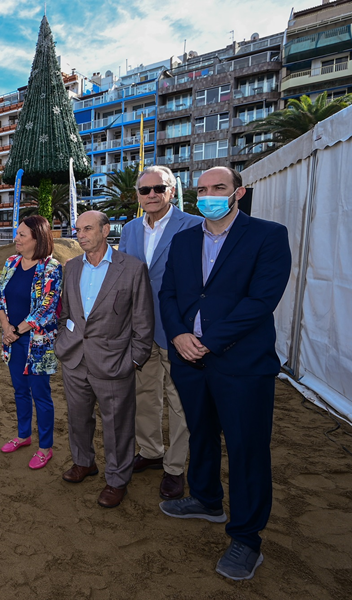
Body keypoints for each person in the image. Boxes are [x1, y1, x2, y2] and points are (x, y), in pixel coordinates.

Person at [158, 166, 291, 581]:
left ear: (239, 192)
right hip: (189, 360)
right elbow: (169, 293)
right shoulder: (182, 240)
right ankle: (206, 499)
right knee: (200, 431)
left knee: (246, 448)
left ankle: (247, 539)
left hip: (242, 364)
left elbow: (261, 300)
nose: (209, 194)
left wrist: (210, 341)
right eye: (202, 189)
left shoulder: (268, 235)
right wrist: (179, 335)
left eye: (219, 188)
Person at [55, 210, 154, 508]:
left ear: (105, 230)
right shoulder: (71, 267)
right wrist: (64, 343)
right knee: (77, 418)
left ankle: (117, 479)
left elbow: (143, 320)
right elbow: (66, 314)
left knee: (117, 425)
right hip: (74, 359)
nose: (80, 235)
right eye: (77, 229)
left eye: (87, 229)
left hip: (114, 362)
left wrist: (135, 360)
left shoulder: (132, 268)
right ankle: (84, 462)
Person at [119, 166, 203, 500]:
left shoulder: (195, 226)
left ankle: (175, 467)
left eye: (159, 188)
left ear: (171, 191)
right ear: (138, 196)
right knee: (143, 396)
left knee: (180, 401)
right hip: (139, 329)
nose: (151, 195)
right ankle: (151, 451)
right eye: (145, 190)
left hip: (179, 330)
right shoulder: (129, 229)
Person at [0, 215, 62, 469]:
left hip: (37, 344)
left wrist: (17, 331)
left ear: (38, 238)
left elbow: (46, 308)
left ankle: (45, 447)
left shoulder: (51, 268)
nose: (16, 238)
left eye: (22, 235)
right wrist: (6, 328)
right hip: (13, 340)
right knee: (20, 391)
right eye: (17, 233)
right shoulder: (11, 262)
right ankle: (24, 435)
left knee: (41, 395)